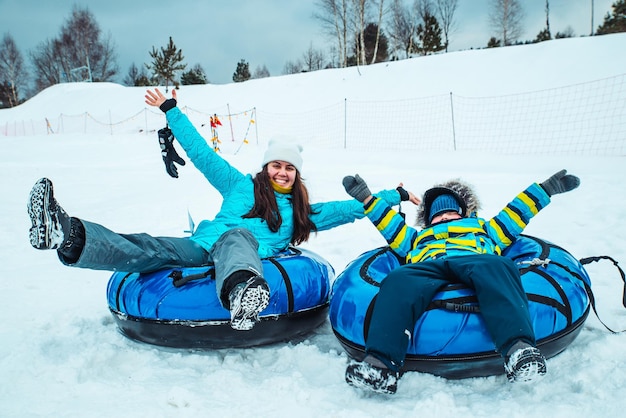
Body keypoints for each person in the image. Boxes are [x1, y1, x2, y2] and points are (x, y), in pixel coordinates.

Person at [27, 88, 408, 332]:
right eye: (277, 164)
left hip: (246, 256)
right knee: (149, 247)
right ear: (266, 167)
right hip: (202, 246)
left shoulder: (301, 211)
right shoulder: (240, 185)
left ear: (297, 174)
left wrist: (395, 195)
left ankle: (244, 293)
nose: (282, 171)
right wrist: (171, 111)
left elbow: (353, 208)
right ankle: (67, 233)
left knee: (238, 235)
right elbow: (201, 153)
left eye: (289, 167)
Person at [341, 170, 580, 394]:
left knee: (499, 266)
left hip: (474, 260)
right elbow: (388, 222)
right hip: (429, 266)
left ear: (463, 213)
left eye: (450, 212)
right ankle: (380, 364)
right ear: (429, 219)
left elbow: (516, 213)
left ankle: (518, 348)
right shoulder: (415, 238)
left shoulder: (486, 229)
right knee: (398, 279)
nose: (444, 216)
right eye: (437, 214)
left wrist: (546, 189)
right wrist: (366, 198)